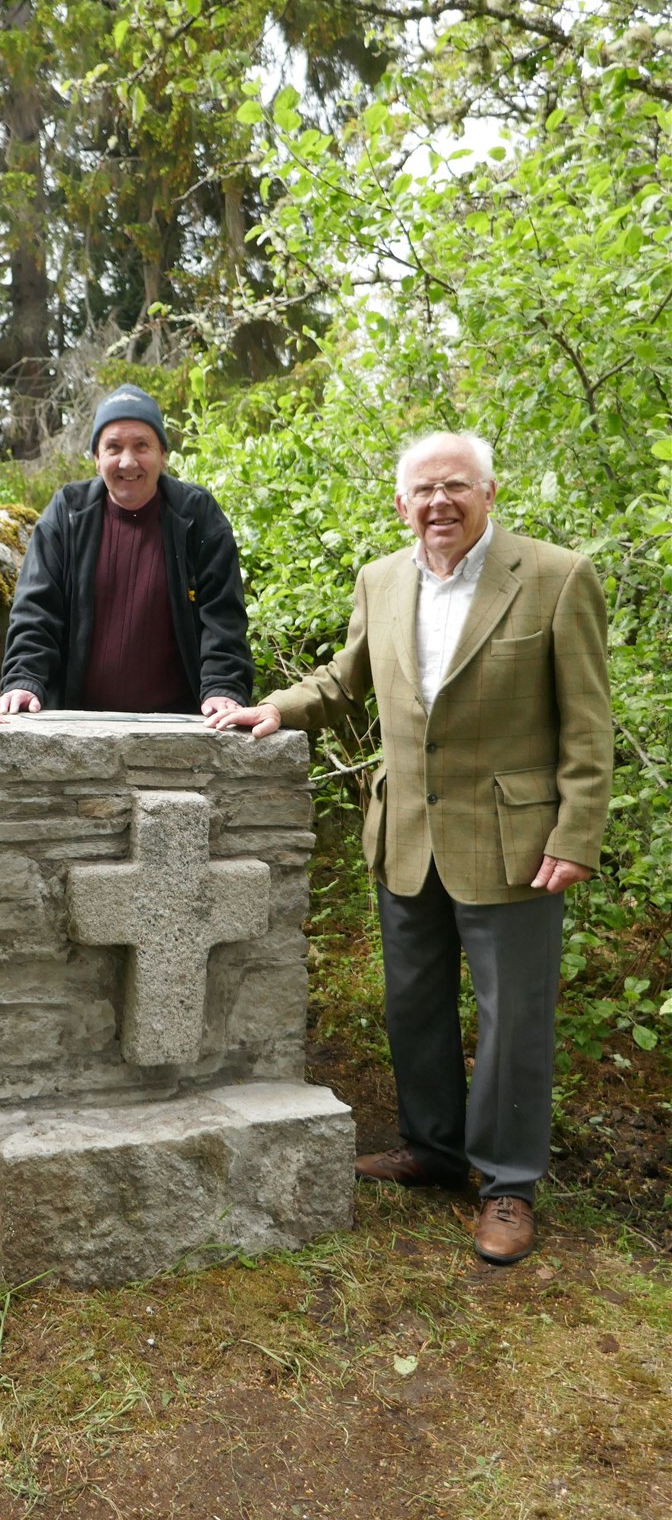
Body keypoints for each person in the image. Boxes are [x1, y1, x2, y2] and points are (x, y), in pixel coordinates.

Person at [210, 431, 613, 1264]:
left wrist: (578, 833)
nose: (439, 502)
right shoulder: (381, 579)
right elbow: (344, 677)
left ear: (489, 493)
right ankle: (433, 1150)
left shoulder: (554, 576)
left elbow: (588, 724)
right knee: (414, 1003)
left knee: (514, 1018)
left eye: (456, 487)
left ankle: (506, 1184)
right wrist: (277, 708)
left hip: (517, 842)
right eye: (423, 490)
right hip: (407, 835)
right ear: (401, 504)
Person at [0, 384, 254, 716]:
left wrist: (223, 686)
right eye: (113, 447)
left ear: (162, 455)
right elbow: (35, 613)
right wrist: (23, 679)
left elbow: (222, 616)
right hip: (75, 726)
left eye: (142, 445)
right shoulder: (66, 514)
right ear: (97, 460)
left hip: (181, 723)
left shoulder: (197, 516)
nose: (128, 461)